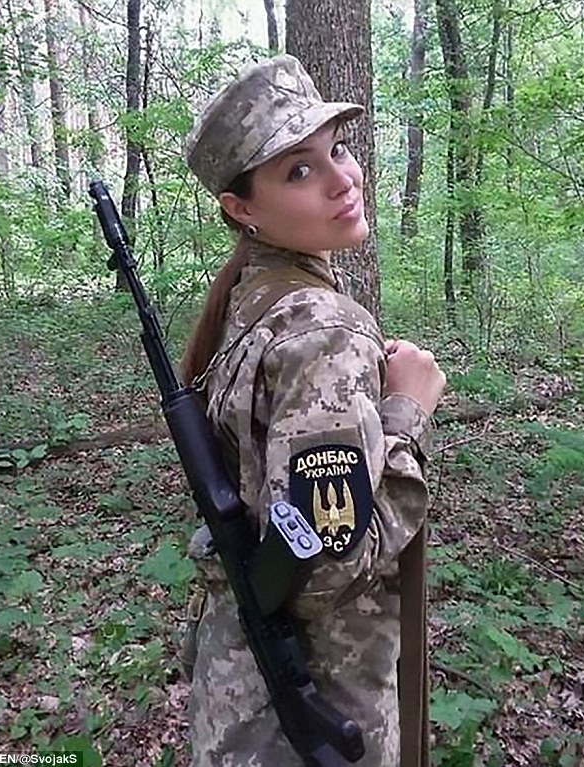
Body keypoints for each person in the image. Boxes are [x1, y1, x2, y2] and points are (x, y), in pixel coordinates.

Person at [180, 54, 446, 767]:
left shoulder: (252, 299)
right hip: (314, 709)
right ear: (242, 209)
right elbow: (327, 565)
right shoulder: (322, 329)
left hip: (239, 697)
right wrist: (407, 409)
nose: (342, 179)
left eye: (339, 149)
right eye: (299, 170)